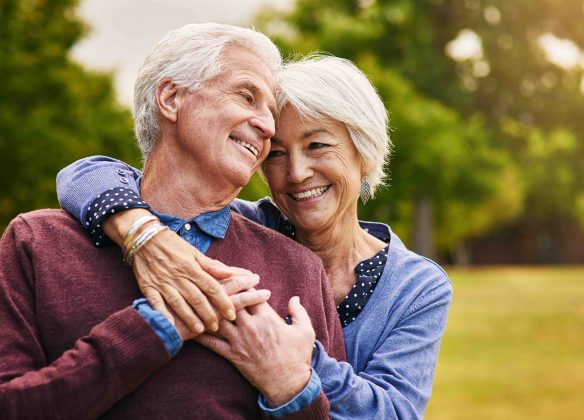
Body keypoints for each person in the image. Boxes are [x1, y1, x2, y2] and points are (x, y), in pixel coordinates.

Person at [56, 56, 453, 418]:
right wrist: (143, 234)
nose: (296, 173)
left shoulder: (416, 286)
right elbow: (85, 173)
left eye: (317, 145)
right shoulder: (242, 225)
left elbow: (394, 412)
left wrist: (290, 357)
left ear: (364, 153)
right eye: (276, 154)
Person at [0, 23, 346, 419]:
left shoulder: (297, 268)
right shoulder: (37, 242)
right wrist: (153, 327)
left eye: (270, 111)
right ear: (171, 97)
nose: (268, 126)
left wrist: (290, 387)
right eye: (247, 96)